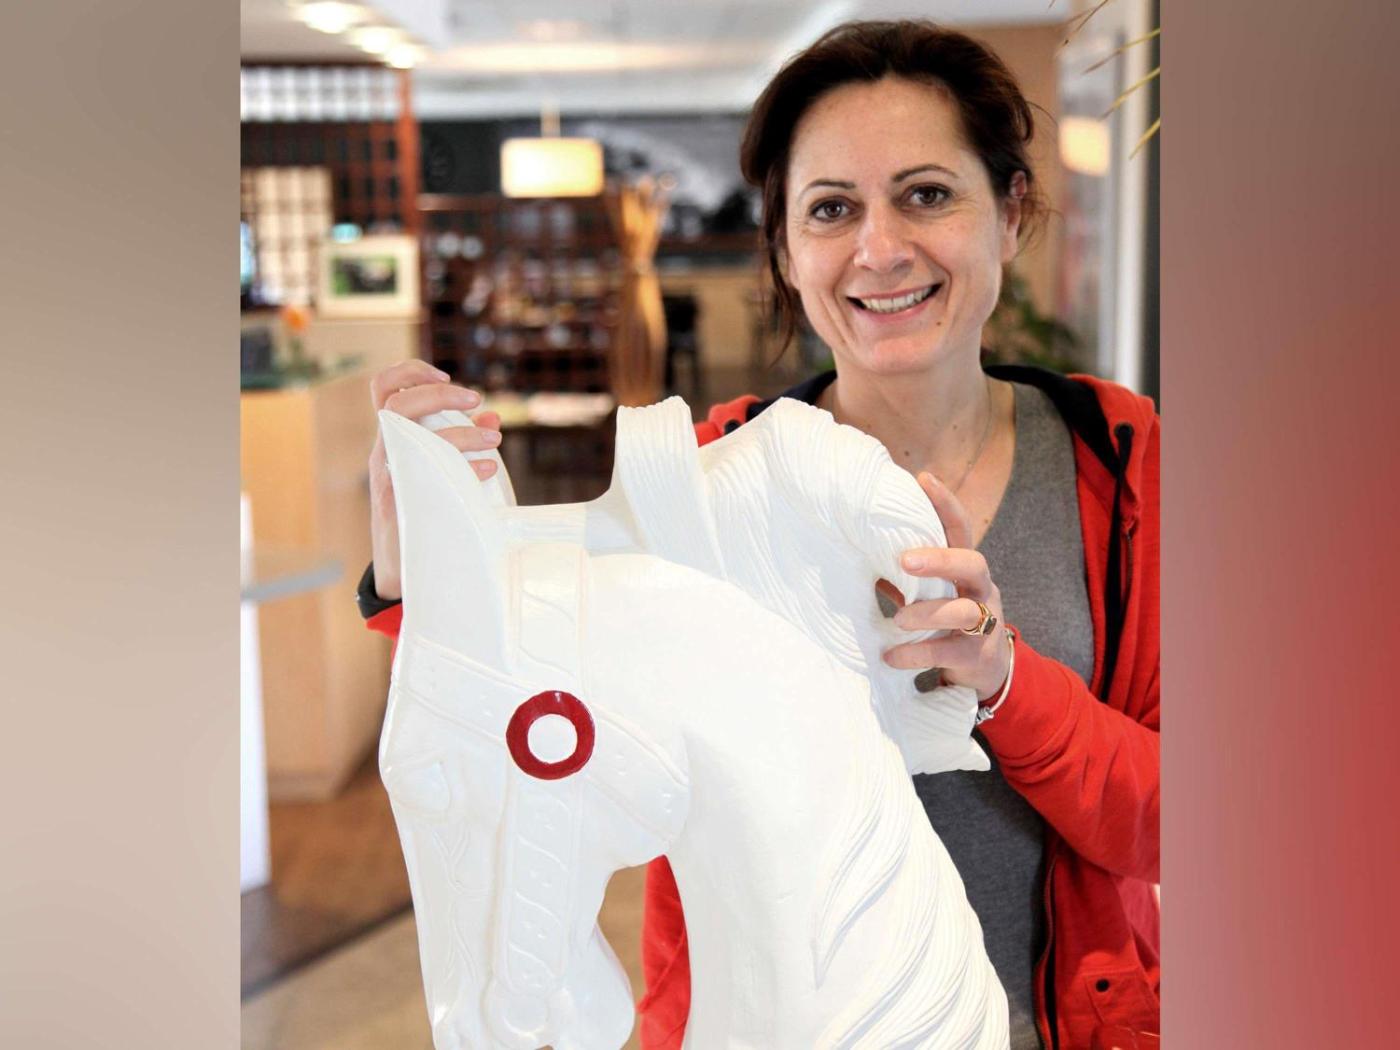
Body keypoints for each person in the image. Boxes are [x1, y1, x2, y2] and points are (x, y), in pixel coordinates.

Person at [358, 19, 1158, 1049]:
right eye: (831, 208)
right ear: (784, 248)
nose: (880, 248)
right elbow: (517, 691)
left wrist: (1002, 680)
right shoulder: (706, 481)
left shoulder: (1121, 466)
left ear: (1007, 214)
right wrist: (418, 561)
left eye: (925, 194)